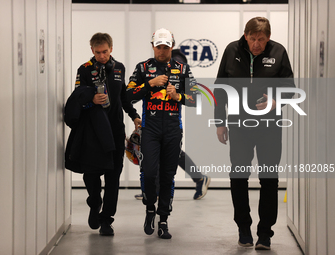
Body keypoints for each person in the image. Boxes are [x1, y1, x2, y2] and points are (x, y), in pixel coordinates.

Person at [214, 17, 295, 250]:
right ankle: (243, 229)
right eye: (252, 39)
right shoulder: (232, 50)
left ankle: (265, 234)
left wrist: (275, 101)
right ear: (245, 35)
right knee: (238, 177)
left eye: (261, 39)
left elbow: (290, 87)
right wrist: (220, 122)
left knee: (268, 178)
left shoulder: (279, 51)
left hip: (270, 125)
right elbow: (220, 88)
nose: (256, 44)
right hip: (239, 125)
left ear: (268, 37)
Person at [64, 32, 141, 236]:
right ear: (92, 50)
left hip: (116, 130)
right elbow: (76, 99)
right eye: (97, 52)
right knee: (91, 174)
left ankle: (107, 219)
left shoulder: (119, 68)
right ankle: (94, 202)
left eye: (105, 51)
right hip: (93, 132)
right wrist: (92, 101)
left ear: (111, 49)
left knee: (113, 177)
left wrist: (134, 116)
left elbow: (123, 97)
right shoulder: (85, 69)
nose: (102, 56)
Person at [126, 28, 197, 239]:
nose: (162, 51)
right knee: (148, 172)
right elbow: (127, 95)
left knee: (168, 176)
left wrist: (179, 96)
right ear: (153, 46)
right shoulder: (143, 67)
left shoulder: (183, 69)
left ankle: (163, 220)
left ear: (172, 46)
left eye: (166, 47)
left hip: (174, 129)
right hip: (151, 128)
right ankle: (150, 208)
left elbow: (196, 99)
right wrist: (149, 85)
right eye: (159, 47)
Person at [133, 49, 211, 201]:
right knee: (164, 154)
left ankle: (199, 178)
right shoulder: (150, 67)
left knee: (173, 154)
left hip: (171, 119)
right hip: (155, 120)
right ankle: (152, 190)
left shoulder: (178, 65)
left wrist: (177, 95)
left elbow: (193, 95)